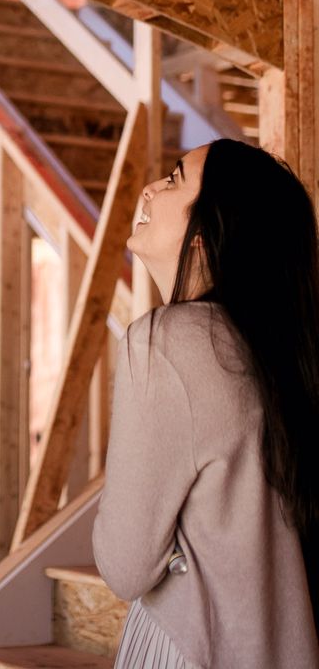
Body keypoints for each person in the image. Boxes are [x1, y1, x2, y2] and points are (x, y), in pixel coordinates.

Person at [93, 139, 319, 669]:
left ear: (208, 234)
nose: (149, 189)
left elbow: (125, 566)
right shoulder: (281, 354)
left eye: (173, 180)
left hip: (193, 647)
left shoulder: (167, 343)